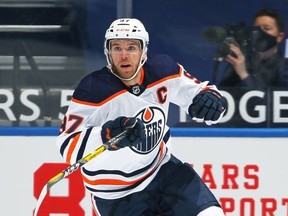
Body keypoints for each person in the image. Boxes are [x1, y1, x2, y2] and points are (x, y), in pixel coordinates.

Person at [57, 18, 226, 216]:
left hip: (163, 171)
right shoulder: (92, 89)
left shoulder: (163, 69)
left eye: (131, 47)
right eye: (117, 48)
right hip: (115, 194)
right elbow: (67, 145)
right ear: (108, 52)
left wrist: (211, 100)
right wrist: (106, 135)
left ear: (143, 51)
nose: (124, 55)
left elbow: (199, 92)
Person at [218, 8, 288, 89]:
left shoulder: (284, 66)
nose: (260, 33)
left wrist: (243, 73)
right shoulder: (242, 61)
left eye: (266, 28)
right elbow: (222, 93)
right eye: (257, 29)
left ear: (280, 37)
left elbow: (276, 99)